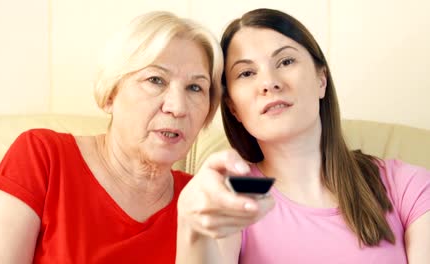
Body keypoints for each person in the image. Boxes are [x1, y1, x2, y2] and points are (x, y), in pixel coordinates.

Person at [0, 11, 223, 263]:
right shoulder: (43, 157)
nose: (178, 107)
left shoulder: (203, 199)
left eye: (195, 88)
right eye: (156, 80)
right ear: (111, 94)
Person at [176, 8, 430, 263]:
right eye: (246, 73)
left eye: (285, 61)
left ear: (321, 80)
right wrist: (192, 228)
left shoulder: (408, 186)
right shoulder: (231, 196)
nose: (269, 82)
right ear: (233, 108)